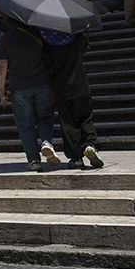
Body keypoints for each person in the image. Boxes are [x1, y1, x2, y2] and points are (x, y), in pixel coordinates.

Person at [0, 21, 60, 171]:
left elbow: (2, 64)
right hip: (42, 81)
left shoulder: (7, 38)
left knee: (25, 124)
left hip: (19, 85)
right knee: (45, 118)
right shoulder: (38, 33)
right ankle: (46, 142)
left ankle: (33, 160)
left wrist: (2, 90)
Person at [43, 29, 103, 170]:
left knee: (68, 123)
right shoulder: (76, 37)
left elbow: (46, 63)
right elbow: (84, 48)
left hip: (61, 87)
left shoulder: (48, 41)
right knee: (86, 117)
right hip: (80, 84)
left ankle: (76, 158)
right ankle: (90, 144)